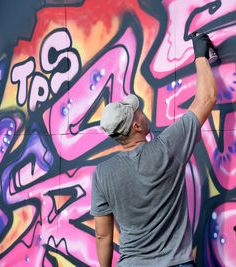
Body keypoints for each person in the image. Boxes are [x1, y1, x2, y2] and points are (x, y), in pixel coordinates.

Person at [90, 33, 217, 267]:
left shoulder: (101, 174)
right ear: (136, 126)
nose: (142, 112)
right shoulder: (167, 147)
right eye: (137, 111)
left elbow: (103, 235)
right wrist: (201, 55)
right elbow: (207, 99)